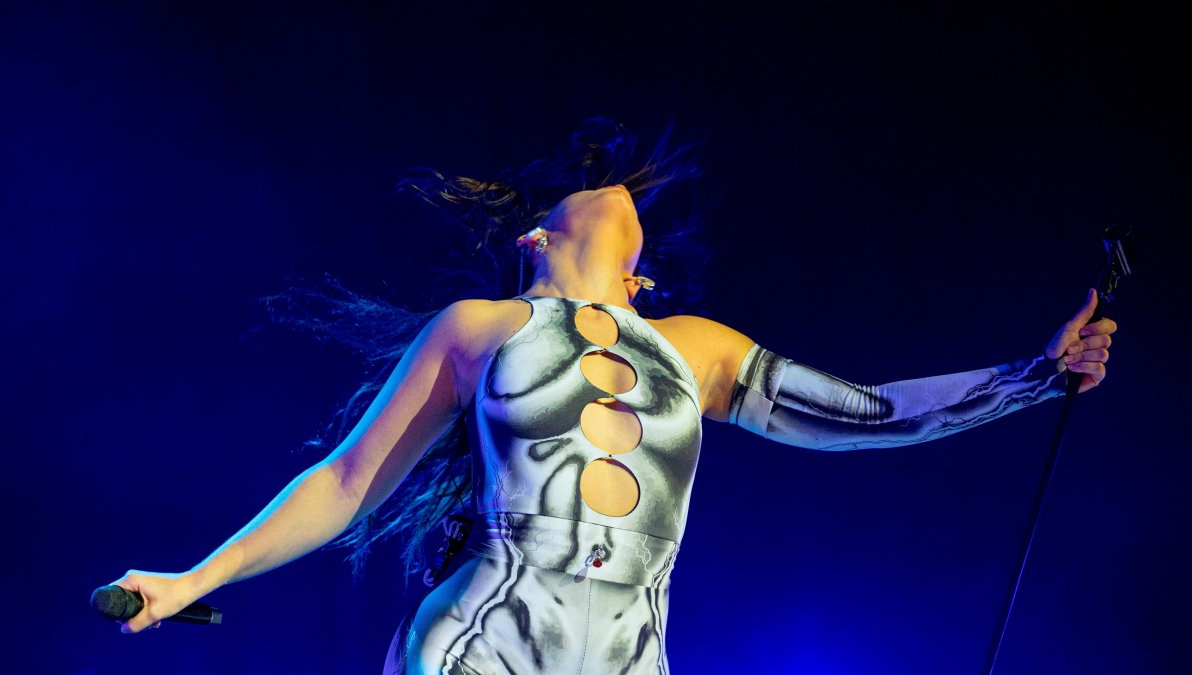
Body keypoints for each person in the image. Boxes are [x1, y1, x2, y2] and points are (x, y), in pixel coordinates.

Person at [106, 120, 1116, 674]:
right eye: (576, 191)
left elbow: (865, 415)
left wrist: (1031, 378)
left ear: (641, 277)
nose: (606, 185)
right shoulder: (480, 328)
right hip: (483, 640)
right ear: (534, 239)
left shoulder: (695, 347)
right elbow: (347, 482)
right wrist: (197, 580)